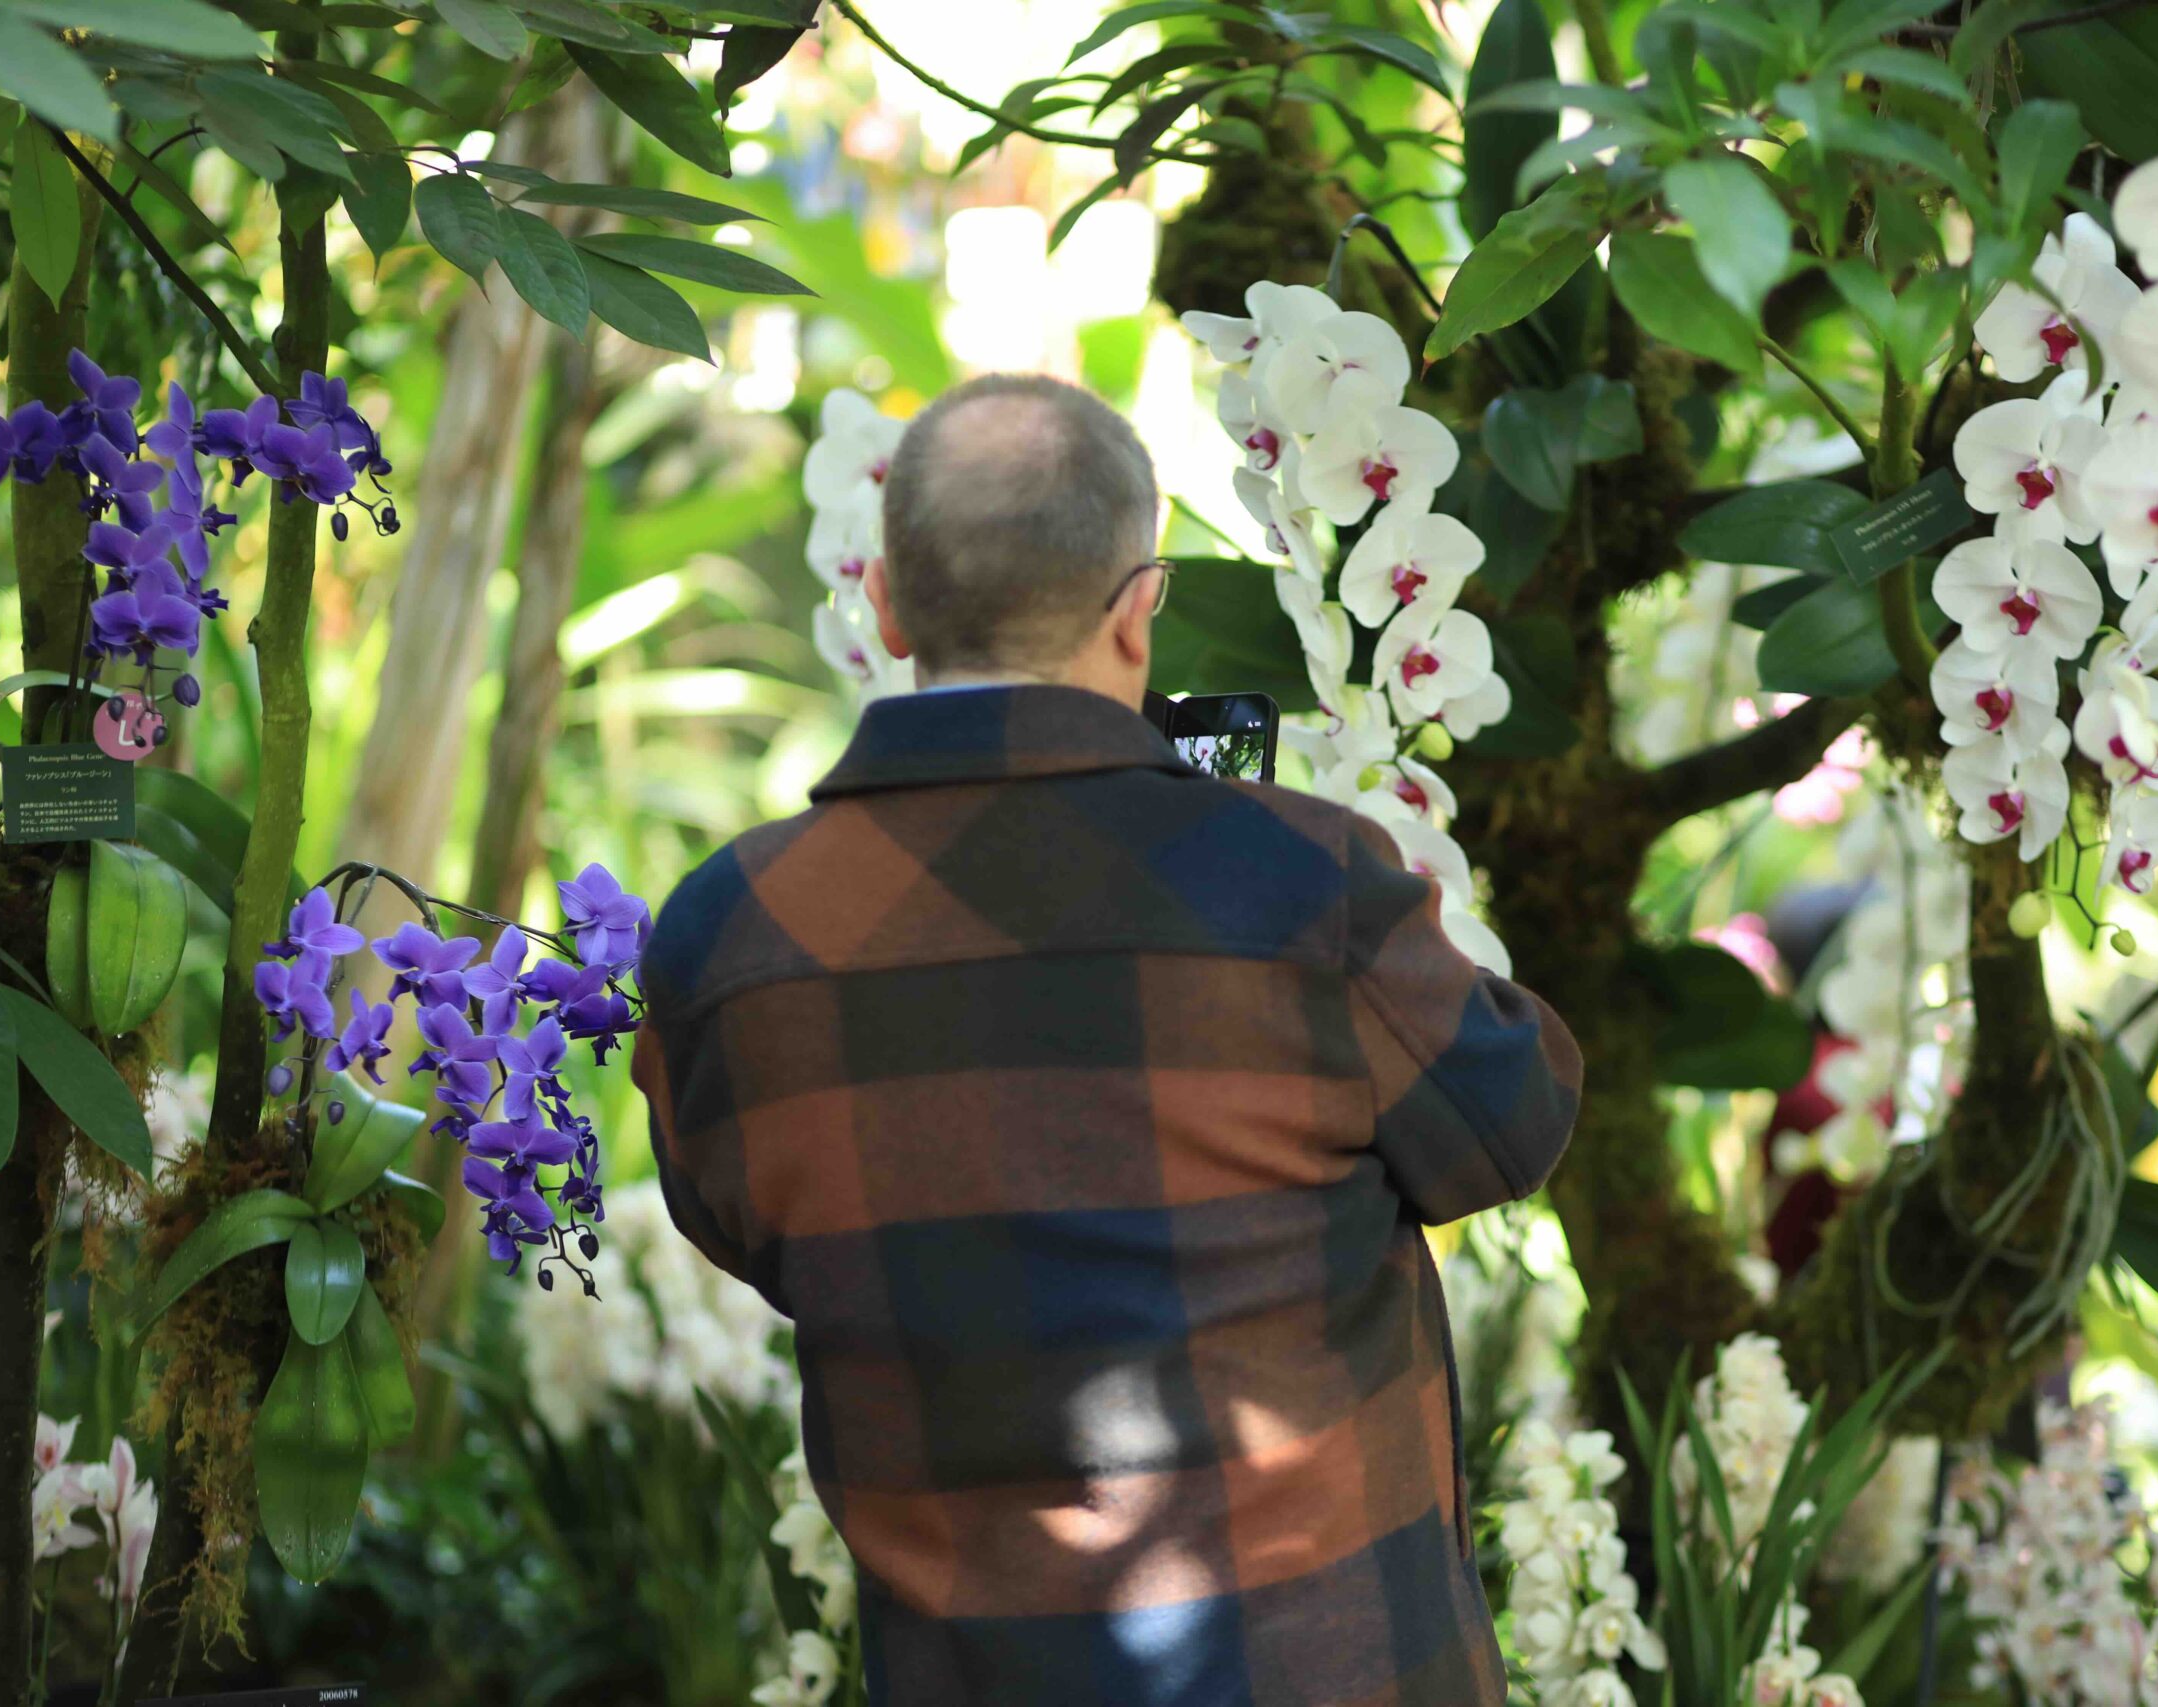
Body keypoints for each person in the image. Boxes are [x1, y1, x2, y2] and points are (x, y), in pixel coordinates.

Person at [632, 373, 1583, 1705]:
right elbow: (1513, 1122)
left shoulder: (727, 939)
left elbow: (750, 1230)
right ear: (1141, 613)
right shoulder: (1302, 888)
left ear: (890, 606)